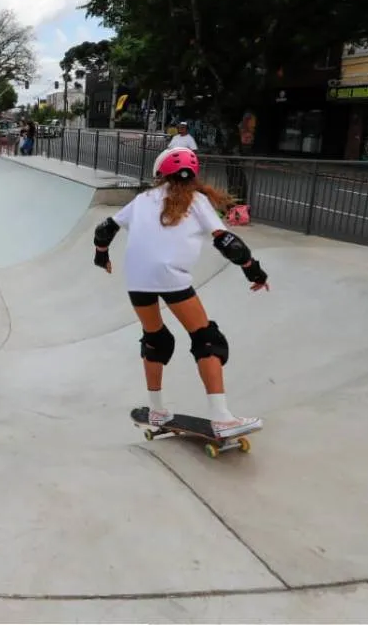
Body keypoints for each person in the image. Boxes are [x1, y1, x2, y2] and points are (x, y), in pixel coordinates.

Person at [92, 146, 268, 438]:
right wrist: (253, 270)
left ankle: (157, 410)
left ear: (160, 174)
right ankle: (222, 417)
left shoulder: (142, 199)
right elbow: (227, 242)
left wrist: (101, 255)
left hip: (136, 278)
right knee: (206, 338)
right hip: (170, 277)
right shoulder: (197, 200)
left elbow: (104, 228)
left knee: (155, 340)